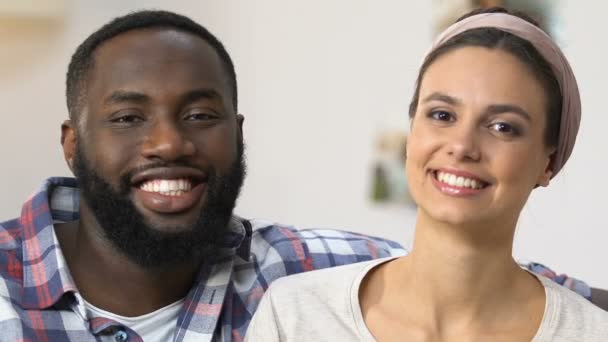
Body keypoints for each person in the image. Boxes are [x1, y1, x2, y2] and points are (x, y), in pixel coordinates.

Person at [0, 9, 594, 342]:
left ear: (238, 131)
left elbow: (470, 268)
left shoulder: (288, 270)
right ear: (71, 144)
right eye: (129, 117)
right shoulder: (299, 307)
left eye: (201, 116)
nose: (169, 142)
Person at [246, 7, 608, 342]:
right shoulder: (295, 315)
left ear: (548, 162)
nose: (462, 145)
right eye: (442, 115)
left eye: (502, 126)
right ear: (412, 130)